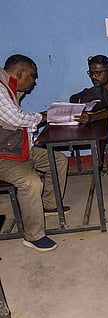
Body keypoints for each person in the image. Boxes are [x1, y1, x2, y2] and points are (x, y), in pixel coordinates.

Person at [0, 54, 69, 252]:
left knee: (58, 160)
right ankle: (33, 236)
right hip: (4, 156)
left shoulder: (10, 87)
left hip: (17, 148)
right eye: (32, 76)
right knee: (31, 183)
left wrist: (32, 136)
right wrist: (44, 116)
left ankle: (49, 205)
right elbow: (15, 118)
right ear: (19, 72)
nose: (34, 82)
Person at [70, 55, 108, 182]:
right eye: (91, 73)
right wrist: (79, 103)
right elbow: (76, 98)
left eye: (97, 73)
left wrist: (92, 117)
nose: (93, 77)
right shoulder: (99, 88)